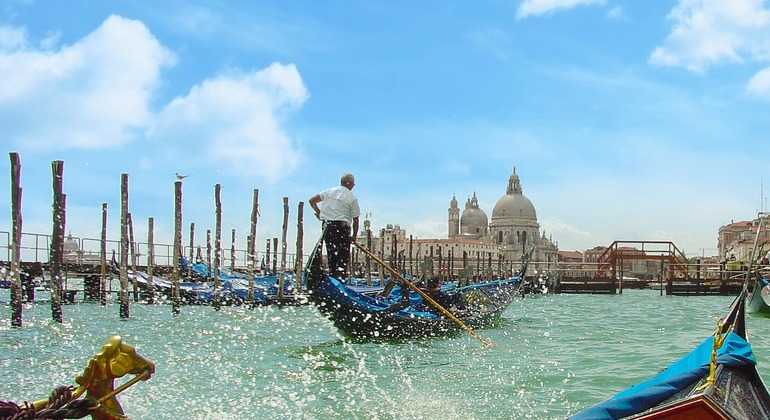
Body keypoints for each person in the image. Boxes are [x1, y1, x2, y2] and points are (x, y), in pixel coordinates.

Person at [309, 173, 360, 280]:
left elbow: (312, 201)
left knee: (331, 255)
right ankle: (338, 281)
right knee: (342, 258)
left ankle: (333, 279)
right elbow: (356, 220)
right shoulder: (352, 198)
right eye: (353, 184)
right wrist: (354, 236)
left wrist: (319, 213)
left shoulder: (329, 192)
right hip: (341, 228)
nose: (353, 186)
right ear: (349, 183)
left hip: (327, 226)